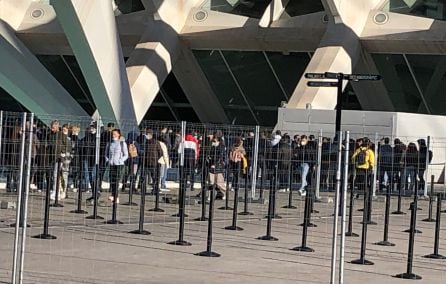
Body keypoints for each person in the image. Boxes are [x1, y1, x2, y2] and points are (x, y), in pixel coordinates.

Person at [104, 129, 128, 204]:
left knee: (117, 180)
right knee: (112, 180)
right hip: (112, 164)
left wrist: (121, 160)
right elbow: (106, 153)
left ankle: (116, 196)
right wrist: (108, 160)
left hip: (119, 164)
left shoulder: (122, 143)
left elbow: (126, 154)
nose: (113, 135)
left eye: (115, 134)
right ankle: (113, 194)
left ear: (118, 134)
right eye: (112, 134)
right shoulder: (110, 143)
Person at [140, 129, 163, 195]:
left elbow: (160, 152)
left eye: (147, 134)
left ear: (150, 134)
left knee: (154, 178)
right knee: (143, 177)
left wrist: (156, 158)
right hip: (146, 162)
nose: (146, 135)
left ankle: (155, 190)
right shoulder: (145, 142)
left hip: (153, 163)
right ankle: (143, 190)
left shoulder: (156, 142)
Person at [207, 135, 227, 200]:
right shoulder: (210, 145)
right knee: (211, 181)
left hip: (218, 166)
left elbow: (220, 156)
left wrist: (215, 163)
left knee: (219, 182)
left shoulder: (221, 146)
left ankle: (223, 193)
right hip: (211, 165)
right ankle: (210, 195)